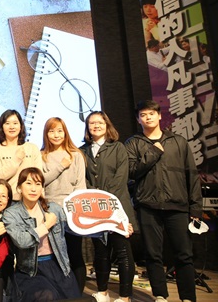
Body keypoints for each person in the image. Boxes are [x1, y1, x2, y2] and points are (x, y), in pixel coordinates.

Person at [125, 100, 202, 302]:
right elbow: (131, 172)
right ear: (138, 119)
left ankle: (188, 297)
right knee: (153, 254)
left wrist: (196, 207)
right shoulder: (133, 143)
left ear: (159, 116)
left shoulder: (178, 142)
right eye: (143, 115)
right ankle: (160, 295)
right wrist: (154, 152)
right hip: (147, 206)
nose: (148, 117)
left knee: (184, 254)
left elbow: (192, 175)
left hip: (178, 205)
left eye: (151, 113)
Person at [81, 111, 136, 302]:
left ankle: (125, 296)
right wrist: (95, 200)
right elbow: (83, 180)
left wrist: (105, 200)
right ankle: (102, 292)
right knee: (100, 253)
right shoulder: (82, 151)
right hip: (94, 210)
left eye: (100, 122)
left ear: (107, 125)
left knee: (123, 252)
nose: (96, 126)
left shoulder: (118, 147)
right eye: (92, 123)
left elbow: (120, 179)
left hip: (117, 208)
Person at [3, 167, 80, 302]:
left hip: (58, 265)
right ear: (19, 188)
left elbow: (74, 228)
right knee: (46, 295)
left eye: (38, 184)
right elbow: (22, 241)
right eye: (28, 183)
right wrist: (46, 225)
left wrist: (108, 227)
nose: (33, 189)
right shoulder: (12, 213)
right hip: (30, 270)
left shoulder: (54, 209)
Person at [39, 117, 87, 293]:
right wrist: (60, 166)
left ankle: (78, 294)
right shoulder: (41, 156)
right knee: (54, 255)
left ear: (65, 133)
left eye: (60, 131)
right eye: (51, 131)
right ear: (46, 134)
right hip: (49, 211)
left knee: (74, 253)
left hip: (72, 210)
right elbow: (40, 181)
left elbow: (80, 185)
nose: (56, 135)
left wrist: (76, 210)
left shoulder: (76, 155)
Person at [0, 109, 42, 201]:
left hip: (31, 198)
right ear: (1, 127)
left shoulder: (32, 148)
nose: (12, 127)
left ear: (21, 126)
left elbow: (39, 176)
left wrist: (42, 198)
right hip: (8, 200)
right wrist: (16, 159)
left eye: (15, 123)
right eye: (7, 123)